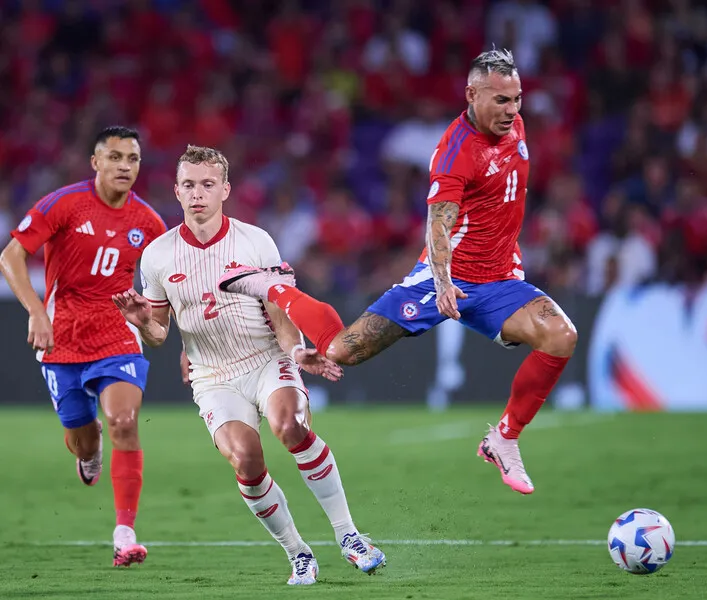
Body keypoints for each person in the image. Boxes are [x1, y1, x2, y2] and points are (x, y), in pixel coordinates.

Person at [218, 49, 578, 496]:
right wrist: (444, 283)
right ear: (472, 94)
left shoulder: (514, 128)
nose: (511, 111)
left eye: (516, 99)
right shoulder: (455, 151)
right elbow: (438, 224)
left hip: (501, 279)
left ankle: (503, 439)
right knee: (341, 351)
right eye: (501, 100)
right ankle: (271, 285)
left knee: (561, 336)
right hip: (445, 280)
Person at [112, 145, 385, 586]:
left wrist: (297, 353)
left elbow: (279, 312)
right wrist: (143, 322)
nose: (197, 193)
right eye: (188, 185)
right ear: (176, 191)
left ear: (225, 189)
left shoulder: (255, 241)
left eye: (206, 184)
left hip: (266, 358)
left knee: (292, 426)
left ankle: (349, 536)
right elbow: (161, 334)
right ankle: (298, 553)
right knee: (246, 460)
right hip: (212, 375)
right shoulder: (158, 256)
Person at [0, 126, 167, 566]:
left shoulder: (150, 224)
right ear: (96, 162)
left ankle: (125, 533)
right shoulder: (64, 204)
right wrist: (37, 312)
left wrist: (156, 327)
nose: (124, 166)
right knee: (84, 438)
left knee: (124, 421)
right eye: (114, 157)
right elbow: (10, 256)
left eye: (132, 159)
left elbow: (165, 294)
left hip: (117, 333)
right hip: (63, 334)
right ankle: (88, 454)